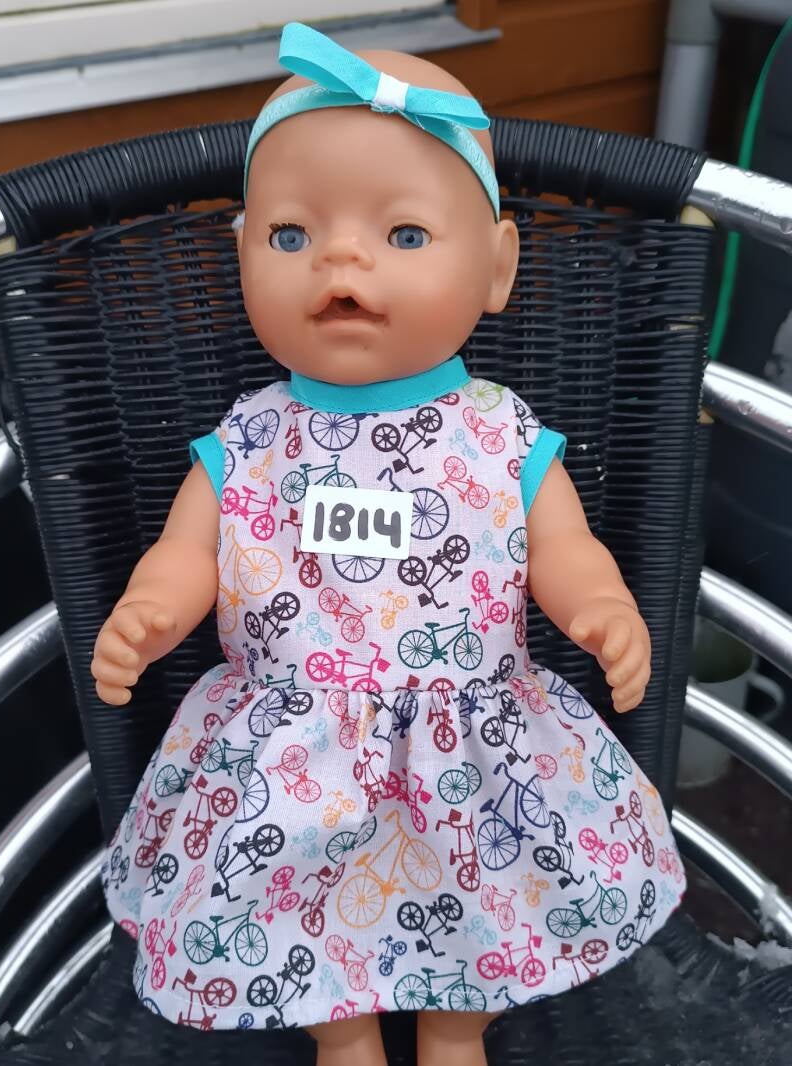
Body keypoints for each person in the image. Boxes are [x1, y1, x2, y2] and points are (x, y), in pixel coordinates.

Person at [93, 21, 686, 1066]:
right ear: (242, 255)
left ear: (496, 268)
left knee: (487, 892)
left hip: (473, 748)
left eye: (404, 234)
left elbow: (563, 545)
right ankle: (344, 1032)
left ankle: (456, 1029)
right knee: (287, 897)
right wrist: (151, 609)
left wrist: (599, 606)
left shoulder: (498, 434)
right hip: (291, 757)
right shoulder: (249, 439)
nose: (343, 257)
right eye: (291, 235)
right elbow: (188, 552)